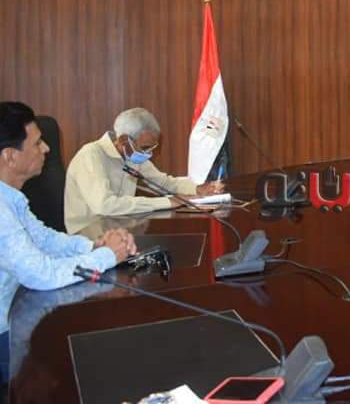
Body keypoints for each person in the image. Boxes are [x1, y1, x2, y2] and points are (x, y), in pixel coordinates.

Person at [0, 102, 135, 387]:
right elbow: (41, 273)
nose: (47, 149)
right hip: (4, 335)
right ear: (10, 156)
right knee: (89, 362)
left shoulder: (10, 198)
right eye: (37, 143)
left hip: (16, 316)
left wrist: (94, 247)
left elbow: (46, 239)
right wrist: (107, 256)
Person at [64, 108, 224, 234]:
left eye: (152, 148)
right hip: (87, 236)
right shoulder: (91, 155)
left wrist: (197, 189)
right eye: (146, 147)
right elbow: (104, 205)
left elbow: (163, 183)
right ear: (124, 140)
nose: (149, 154)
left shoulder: (132, 154)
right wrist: (168, 202)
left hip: (120, 229)